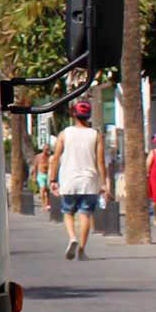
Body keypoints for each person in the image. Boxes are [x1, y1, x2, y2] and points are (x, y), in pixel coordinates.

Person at [49, 100, 106, 261]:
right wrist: (104, 183)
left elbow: (55, 158)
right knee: (85, 214)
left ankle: (72, 237)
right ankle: (81, 250)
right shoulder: (96, 135)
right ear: (89, 115)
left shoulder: (64, 134)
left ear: (74, 114)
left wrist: (53, 179)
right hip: (89, 181)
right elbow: (100, 161)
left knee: (67, 212)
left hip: (69, 180)